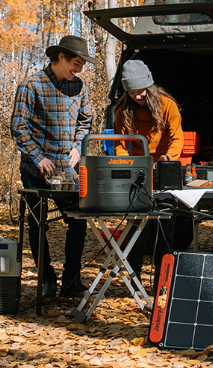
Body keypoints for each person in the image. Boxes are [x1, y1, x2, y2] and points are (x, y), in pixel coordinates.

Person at [11, 35, 93, 299]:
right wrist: (37, 157)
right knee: (37, 225)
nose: (79, 70)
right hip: (36, 171)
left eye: (81, 65)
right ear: (60, 57)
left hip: (68, 170)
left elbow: (86, 120)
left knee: (78, 222)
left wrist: (78, 146)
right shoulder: (31, 85)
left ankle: (71, 281)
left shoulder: (79, 87)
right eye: (76, 63)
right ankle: (47, 280)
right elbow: (18, 127)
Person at [112, 60, 192, 286]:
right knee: (135, 226)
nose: (138, 96)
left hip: (165, 168)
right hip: (138, 170)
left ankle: (162, 282)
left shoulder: (167, 105)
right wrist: (127, 163)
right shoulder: (123, 110)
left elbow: (178, 138)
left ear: (150, 85)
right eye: (132, 92)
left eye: (141, 91)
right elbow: (119, 143)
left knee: (165, 226)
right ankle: (134, 280)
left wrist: (167, 159)